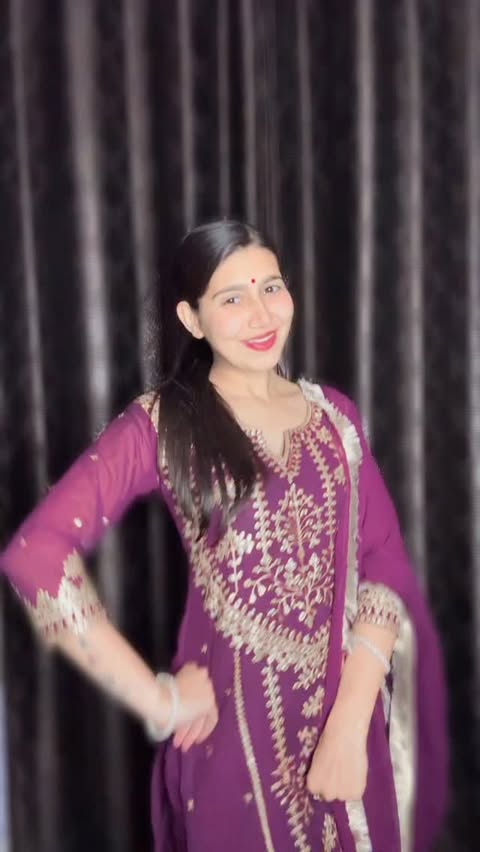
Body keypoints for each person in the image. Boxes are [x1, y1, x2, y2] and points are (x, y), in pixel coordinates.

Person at [1, 220, 448, 851]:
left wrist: (350, 725)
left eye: (271, 287)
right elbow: (35, 556)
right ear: (192, 318)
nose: (261, 314)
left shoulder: (335, 419)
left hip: (349, 730)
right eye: (232, 298)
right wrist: (156, 700)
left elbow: (384, 562)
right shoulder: (163, 425)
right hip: (234, 753)